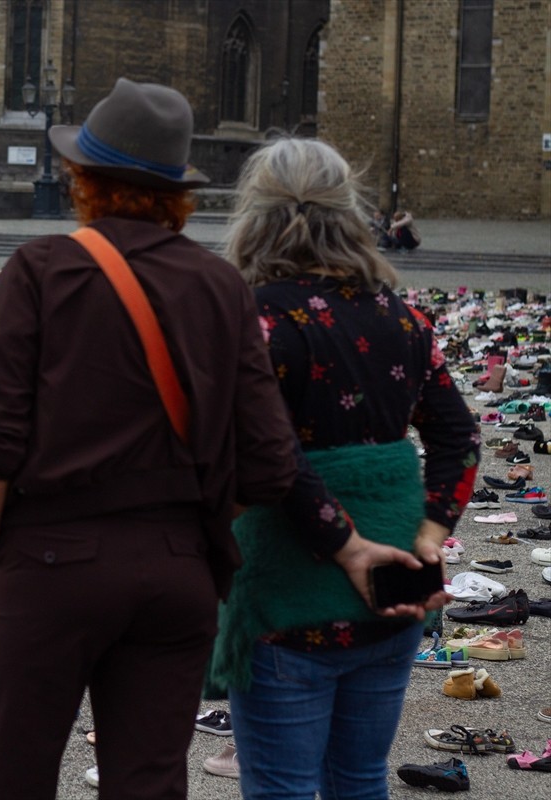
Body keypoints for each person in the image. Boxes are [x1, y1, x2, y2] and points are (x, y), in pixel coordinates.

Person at [0, 78, 300, 800]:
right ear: (177, 190)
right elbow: (271, 462)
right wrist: (188, 523)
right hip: (177, 572)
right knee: (147, 783)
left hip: (49, 561)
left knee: (5, 777)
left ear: (84, 180)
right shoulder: (220, 285)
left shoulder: (41, 270)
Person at [211, 138, 478, 799]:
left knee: (282, 787)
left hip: (290, 594)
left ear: (255, 214)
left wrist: (341, 543)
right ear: (350, 213)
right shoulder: (405, 318)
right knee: (359, 780)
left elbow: (267, 453)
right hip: (396, 594)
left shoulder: (256, 319)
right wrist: (426, 536)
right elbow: (460, 438)